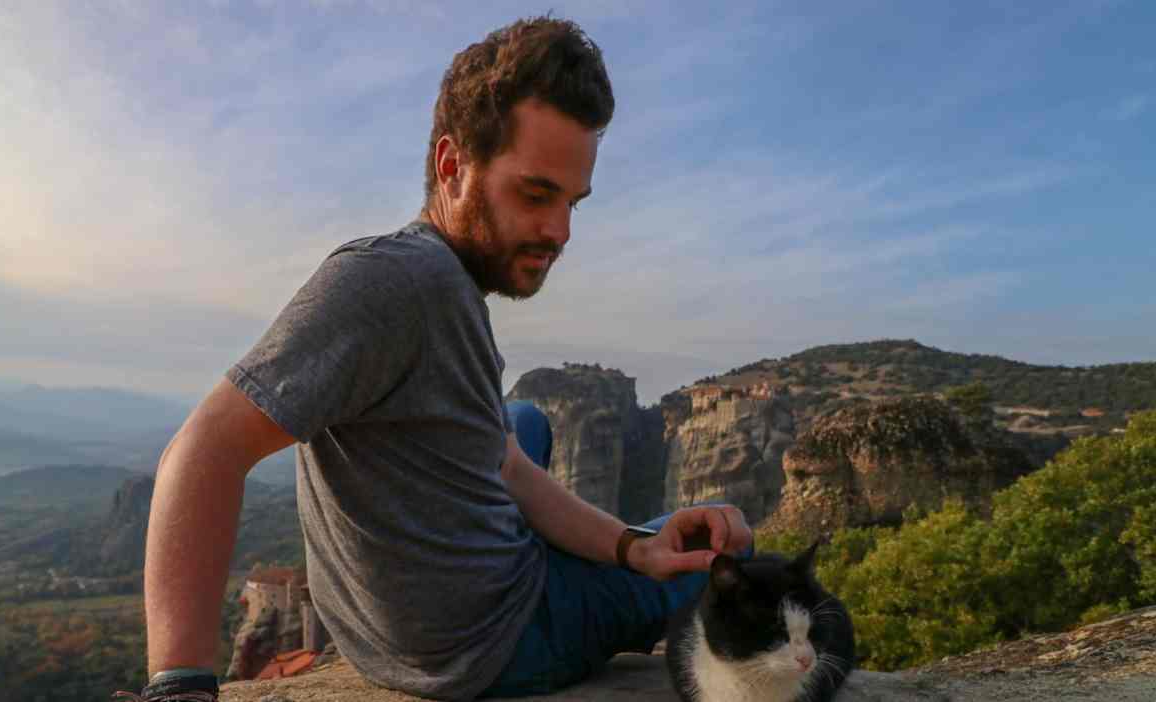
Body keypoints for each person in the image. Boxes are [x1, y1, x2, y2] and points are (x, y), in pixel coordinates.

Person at [124, 16, 753, 702]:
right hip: (493, 645)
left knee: (523, 422)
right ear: (453, 166)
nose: (560, 231)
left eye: (573, 203)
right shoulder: (397, 283)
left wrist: (636, 547)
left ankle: (577, 553)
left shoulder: (443, 280)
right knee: (729, 538)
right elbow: (204, 449)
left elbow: (507, 462)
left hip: (387, 635)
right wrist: (180, 684)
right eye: (535, 193)